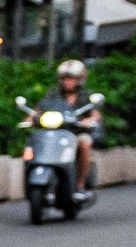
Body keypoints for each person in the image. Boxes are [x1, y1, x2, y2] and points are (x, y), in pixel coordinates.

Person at [27, 58, 101, 194]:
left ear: (80, 79)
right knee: (35, 144)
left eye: (72, 78)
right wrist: (30, 118)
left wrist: (89, 120)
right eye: (65, 78)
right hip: (56, 132)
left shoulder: (86, 95)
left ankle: (80, 185)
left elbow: (95, 114)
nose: (68, 81)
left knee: (85, 144)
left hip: (77, 132)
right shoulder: (53, 93)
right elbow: (39, 108)